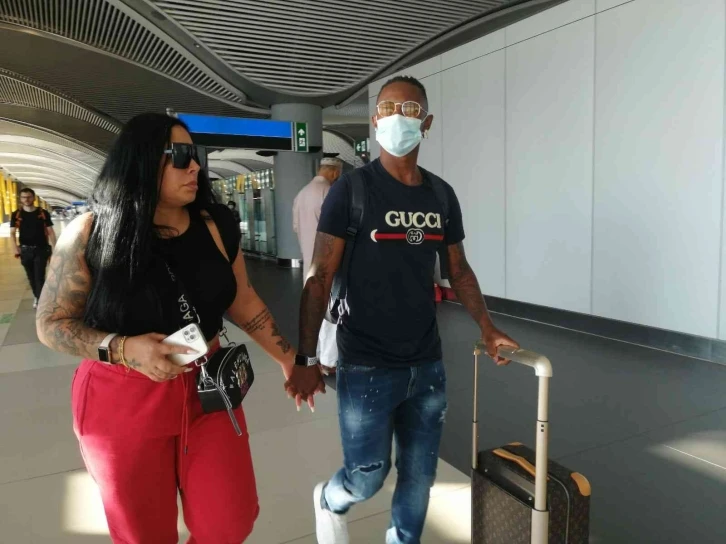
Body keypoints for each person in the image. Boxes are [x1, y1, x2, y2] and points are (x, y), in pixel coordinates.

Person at [36, 113, 301, 544]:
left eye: (193, 155)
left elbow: (243, 298)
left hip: (208, 388)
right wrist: (122, 348)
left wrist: (290, 359)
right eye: (178, 155)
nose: (194, 166)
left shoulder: (215, 226)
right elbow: (51, 323)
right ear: (141, 160)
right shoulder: (90, 232)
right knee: (144, 533)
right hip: (122, 397)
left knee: (228, 521)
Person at [286, 76, 520, 544]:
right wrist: (306, 359)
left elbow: (458, 269)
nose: (398, 117)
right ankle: (330, 498)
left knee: (419, 476)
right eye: (389, 108)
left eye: (410, 109)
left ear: (426, 123)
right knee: (367, 476)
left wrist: (487, 325)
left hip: (426, 363)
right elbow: (319, 277)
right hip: (366, 364)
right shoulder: (351, 191)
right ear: (375, 121)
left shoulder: (441, 195)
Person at [292, 157, 343, 374]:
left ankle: (319, 355)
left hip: (309, 264)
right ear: (334, 172)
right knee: (332, 311)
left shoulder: (301, 194)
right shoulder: (330, 193)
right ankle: (329, 362)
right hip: (329, 263)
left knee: (315, 310)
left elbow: (296, 227)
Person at [10, 187, 56, 309]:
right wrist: (14, 247)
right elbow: (12, 233)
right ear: (20, 199)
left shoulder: (42, 213)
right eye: (24, 197)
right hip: (25, 250)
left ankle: (41, 301)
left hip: (41, 249)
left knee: (39, 276)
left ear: (34, 198)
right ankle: (37, 296)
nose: (26, 199)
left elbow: (50, 231)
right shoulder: (16, 214)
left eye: (29, 197)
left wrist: (55, 247)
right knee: (31, 276)